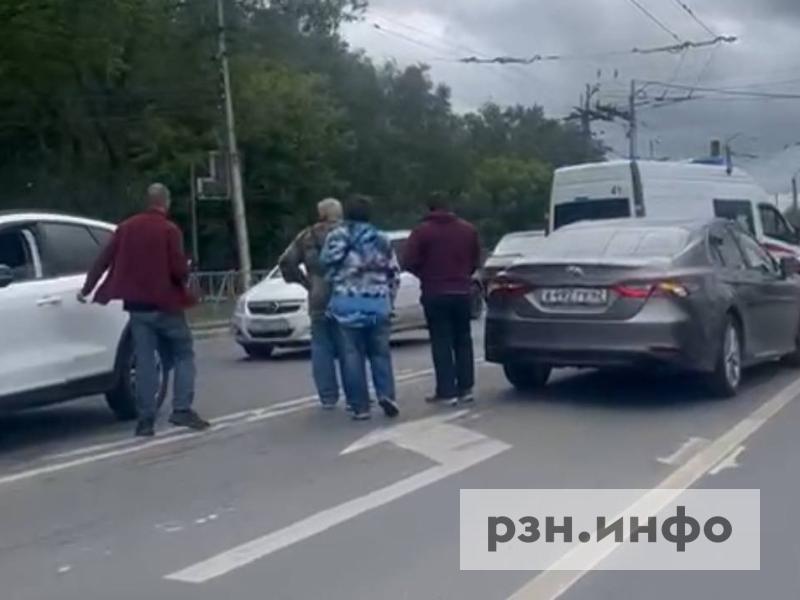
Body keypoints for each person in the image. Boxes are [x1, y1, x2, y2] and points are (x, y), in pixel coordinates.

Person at [79, 183, 210, 437]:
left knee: (145, 361)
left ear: (148, 201)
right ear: (166, 202)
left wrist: (87, 289)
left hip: (137, 308)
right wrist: (187, 273)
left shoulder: (126, 228)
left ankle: (145, 420)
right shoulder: (169, 230)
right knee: (183, 353)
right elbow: (178, 270)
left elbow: (103, 260)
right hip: (166, 305)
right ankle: (182, 409)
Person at [321, 196, 401, 421]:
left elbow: (324, 263)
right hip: (377, 304)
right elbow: (394, 273)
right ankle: (386, 395)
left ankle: (360, 407)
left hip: (345, 306)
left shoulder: (336, 237)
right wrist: (389, 300)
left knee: (351, 356)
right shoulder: (382, 239)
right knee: (380, 353)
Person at [403, 193, 481, 407]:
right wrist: (463, 274)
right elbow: (476, 260)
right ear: (450, 207)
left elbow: (408, 261)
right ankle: (466, 388)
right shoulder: (468, 229)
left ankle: (447, 391)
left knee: (441, 341)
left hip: (435, 291)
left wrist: (425, 274)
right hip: (462, 290)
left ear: (429, 208)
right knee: (463, 339)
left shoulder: (422, 231)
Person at [279, 198, 345, 410]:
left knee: (321, 346)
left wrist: (305, 282)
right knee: (350, 345)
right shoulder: (348, 233)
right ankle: (356, 393)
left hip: (318, 295)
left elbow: (286, 261)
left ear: (320, 214)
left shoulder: (307, 236)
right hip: (346, 295)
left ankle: (327, 397)